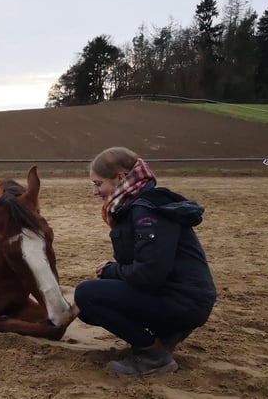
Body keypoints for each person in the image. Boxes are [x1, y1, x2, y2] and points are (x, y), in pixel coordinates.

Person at [74, 147, 217, 378]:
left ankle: (154, 356)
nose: (95, 192)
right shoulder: (137, 207)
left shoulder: (146, 211)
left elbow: (149, 274)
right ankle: (165, 337)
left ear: (121, 178)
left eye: (98, 184)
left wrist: (112, 271)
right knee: (88, 308)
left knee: (86, 295)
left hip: (184, 301)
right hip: (181, 296)